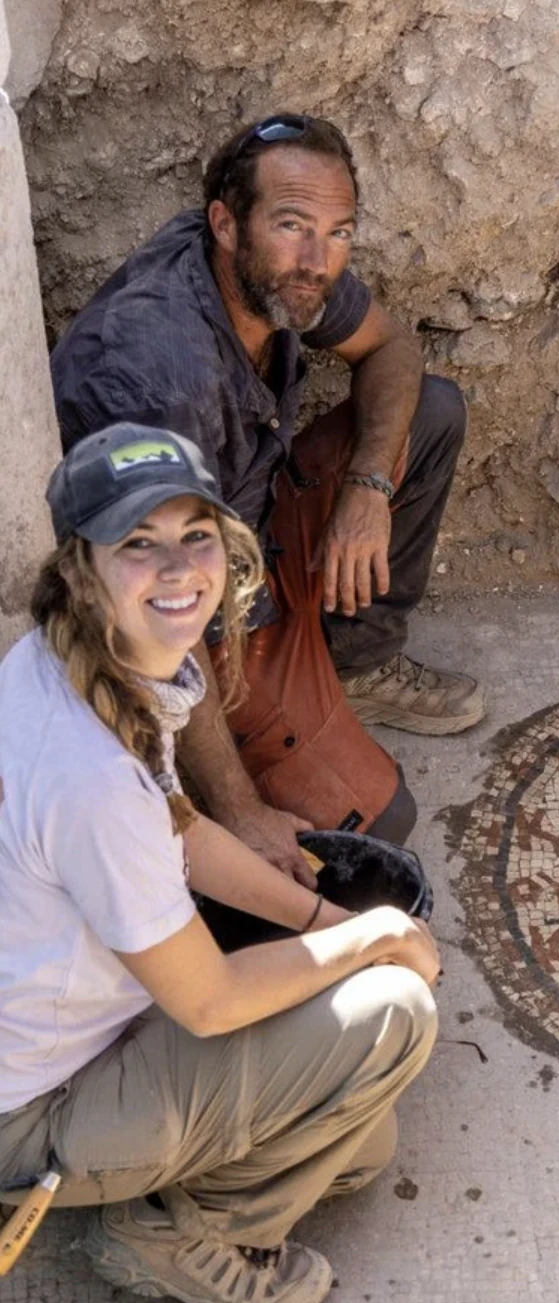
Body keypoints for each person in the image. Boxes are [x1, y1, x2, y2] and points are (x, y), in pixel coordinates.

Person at [0, 423, 441, 1303]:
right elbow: (208, 1002)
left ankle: (172, 1187)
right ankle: (172, 1238)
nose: (177, 569)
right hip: (31, 1115)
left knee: (362, 1149)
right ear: (82, 567)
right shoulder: (88, 778)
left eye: (194, 535)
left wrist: (327, 923)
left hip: (84, 1031)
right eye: (137, 544)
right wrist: (378, 941)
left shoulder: (74, 657)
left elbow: (181, 825)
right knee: (395, 1016)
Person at [50, 113, 483, 879]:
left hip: (246, 528)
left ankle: (353, 662)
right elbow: (159, 625)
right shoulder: (162, 375)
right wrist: (242, 812)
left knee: (432, 412)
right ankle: (209, 781)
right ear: (225, 222)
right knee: (378, 824)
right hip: (188, 605)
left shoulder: (284, 276)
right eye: (292, 226)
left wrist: (367, 488)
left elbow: (392, 347)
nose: (318, 261)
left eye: (339, 232)